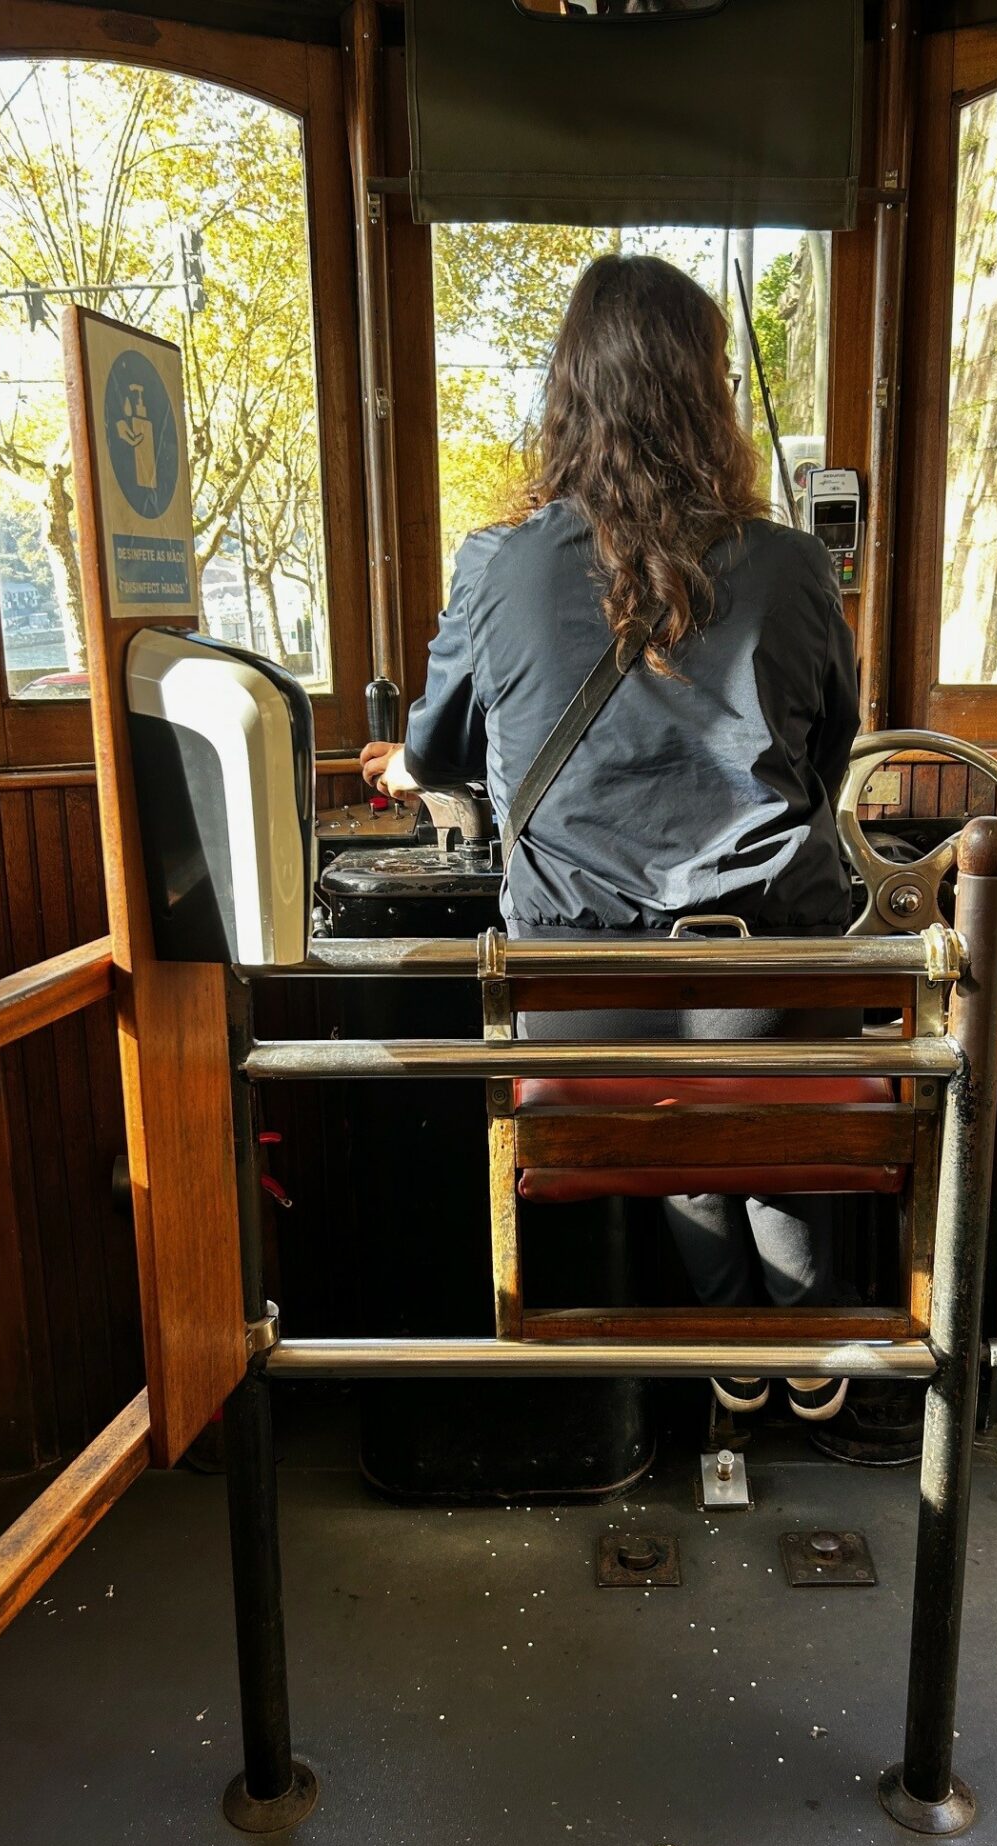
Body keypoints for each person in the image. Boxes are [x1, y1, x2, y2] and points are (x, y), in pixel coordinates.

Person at [361, 253, 860, 1425]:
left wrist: (408, 763)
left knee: (673, 1118)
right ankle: (808, 1346)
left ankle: (726, 1340)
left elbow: (434, 754)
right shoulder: (791, 566)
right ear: (709, 395)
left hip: (586, 1008)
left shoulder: (497, 563)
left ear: (570, 391)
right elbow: (831, 757)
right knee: (765, 1115)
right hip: (770, 977)